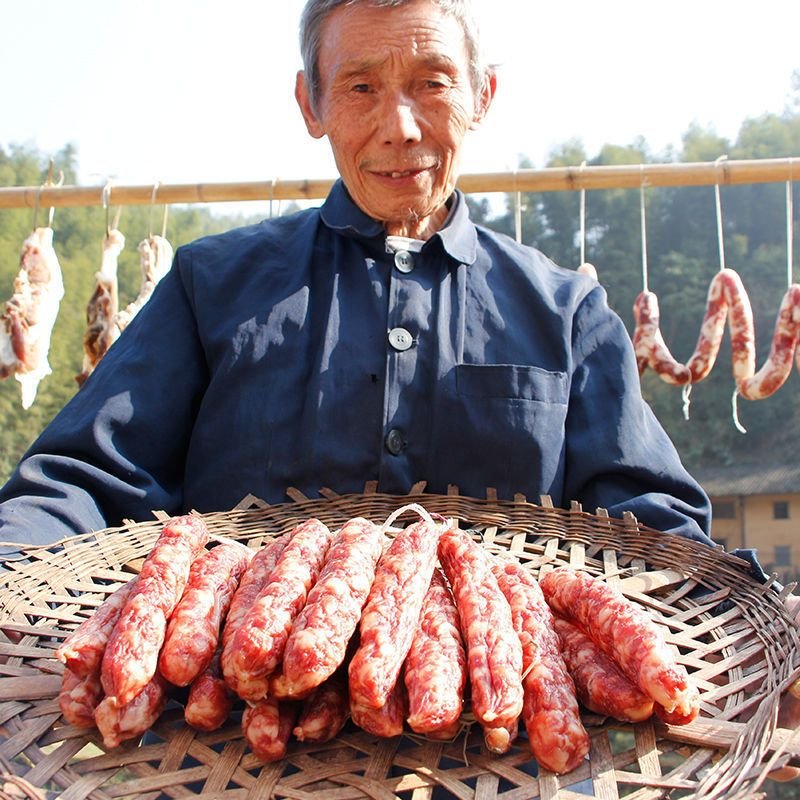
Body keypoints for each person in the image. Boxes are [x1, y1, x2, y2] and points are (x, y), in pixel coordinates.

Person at [1, 0, 798, 783]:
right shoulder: (211, 287)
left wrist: (757, 629)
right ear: (310, 104)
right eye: (359, 88)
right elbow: (82, 482)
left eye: (432, 82)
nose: (401, 126)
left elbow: (653, 525)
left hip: (500, 752)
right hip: (232, 736)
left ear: (483, 95)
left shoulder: (566, 312)